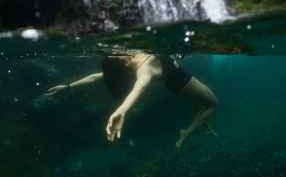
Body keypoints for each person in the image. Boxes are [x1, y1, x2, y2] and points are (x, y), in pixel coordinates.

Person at [45, 54, 218, 150]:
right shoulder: (144, 69)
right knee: (212, 104)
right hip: (180, 80)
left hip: (174, 74)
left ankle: (205, 126)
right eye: (119, 53)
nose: (120, 50)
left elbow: (94, 77)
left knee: (197, 101)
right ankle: (185, 134)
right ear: (127, 62)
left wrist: (66, 87)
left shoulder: (126, 61)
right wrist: (122, 110)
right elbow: (139, 88)